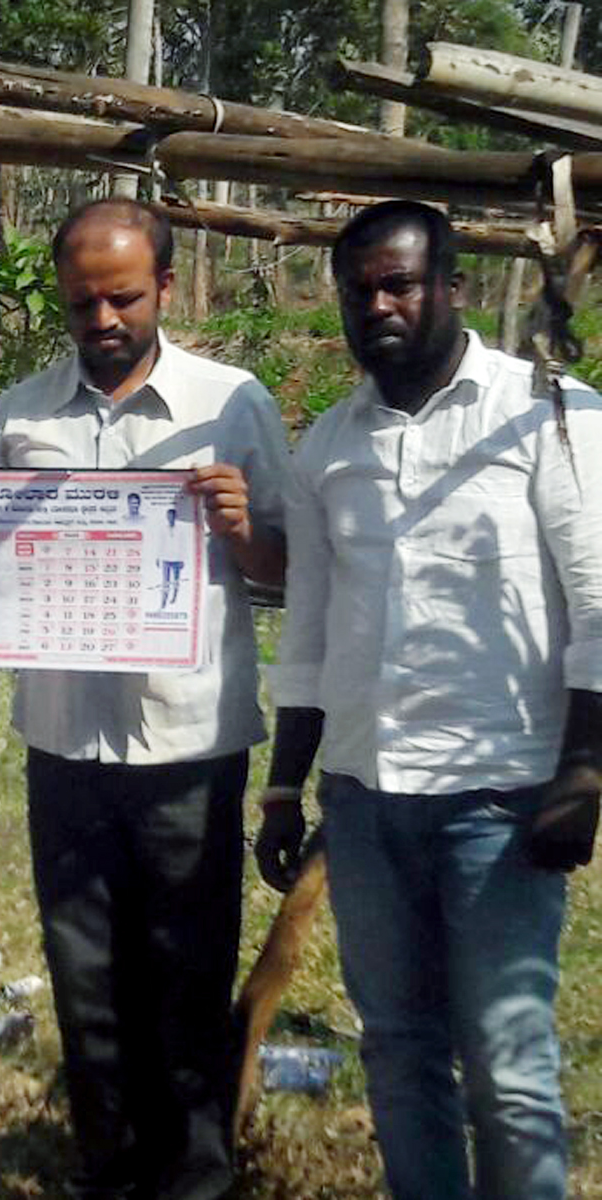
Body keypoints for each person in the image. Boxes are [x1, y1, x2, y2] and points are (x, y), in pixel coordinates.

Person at [0, 198, 288, 1200]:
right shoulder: (23, 413)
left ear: (167, 286)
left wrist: (246, 529)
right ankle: (109, 1167)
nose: (105, 319)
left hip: (188, 736)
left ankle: (195, 1174)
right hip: (63, 737)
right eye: (83, 302)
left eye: (124, 296)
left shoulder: (233, 404)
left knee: (187, 965)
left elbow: (293, 570)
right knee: (83, 971)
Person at [255, 200, 602, 1200]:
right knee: (400, 1051)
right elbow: (311, 631)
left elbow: (596, 604)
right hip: (366, 801)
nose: (380, 305)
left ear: (450, 286)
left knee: (508, 1063)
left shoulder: (550, 413)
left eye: (400, 283)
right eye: (360, 290)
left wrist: (584, 765)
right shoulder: (327, 443)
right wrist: (285, 790)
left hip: (502, 797)